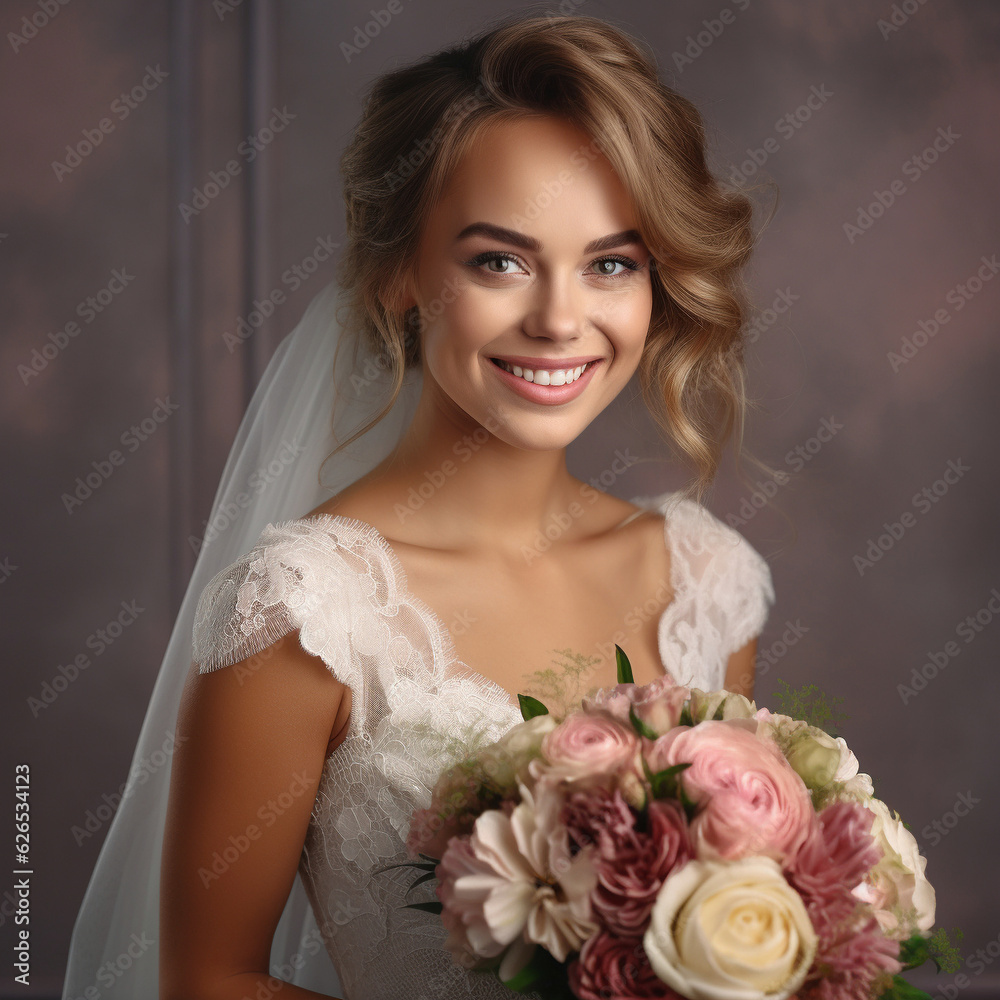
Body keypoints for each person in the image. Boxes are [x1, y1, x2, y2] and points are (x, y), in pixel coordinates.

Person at [62, 12, 776, 1000]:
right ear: (397, 270)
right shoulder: (302, 615)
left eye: (611, 262)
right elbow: (206, 982)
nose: (561, 319)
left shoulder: (704, 578)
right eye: (499, 261)